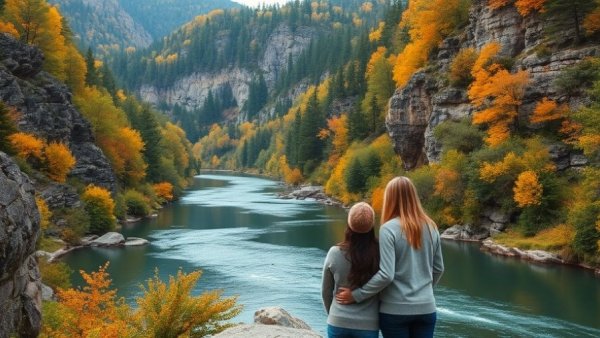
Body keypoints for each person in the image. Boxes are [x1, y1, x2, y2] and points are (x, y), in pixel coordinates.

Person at [336, 177, 444, 338]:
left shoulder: (388, 229)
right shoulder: (431, 227)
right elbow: (438, 268)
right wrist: (423, 293)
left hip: (395, 311)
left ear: (390, 199)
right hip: (426, 308)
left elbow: (386, 275)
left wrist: (356, 295)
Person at [322, 202, 380, 338]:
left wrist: (333, 315)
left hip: (338, 321)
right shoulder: (381, 252)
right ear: (372, 225)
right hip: (368, 324)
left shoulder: (334, 252)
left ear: (349, 224)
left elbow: (326, 291)